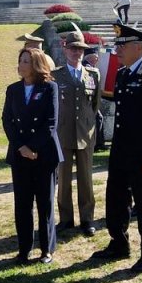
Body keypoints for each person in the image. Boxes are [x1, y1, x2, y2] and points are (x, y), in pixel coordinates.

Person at [94, 24, 142, 273]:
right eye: (117, 46)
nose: (117, 50)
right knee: (115, 199)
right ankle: (119, 243)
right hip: (122, 150)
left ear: (138, 47)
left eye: (122, 46)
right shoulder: (123, 74)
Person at [2, 48, 61, 264]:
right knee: (22, 204)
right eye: (20, 60)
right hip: (20, 155)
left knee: (45, 203)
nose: (21, 65)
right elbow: (7, 120)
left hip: (44, 154)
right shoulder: (13, 89)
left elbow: (51, 122)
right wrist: (21, 147)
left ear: (36, 64)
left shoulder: (49, 88)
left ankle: (46, 249)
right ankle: (24, 249)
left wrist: (33, 147)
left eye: (26, 61)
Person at [52, 31, 100, 237]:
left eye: (80, 49)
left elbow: (94, 105)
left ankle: (87, 219)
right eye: (72, 48)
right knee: (63, 179)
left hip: (85, 133)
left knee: (86, 178)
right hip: (63, 133)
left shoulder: (93, 75)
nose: (76, 52)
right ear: (65, 50)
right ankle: (66, 219)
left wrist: (87, 125)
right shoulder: (56, 75)